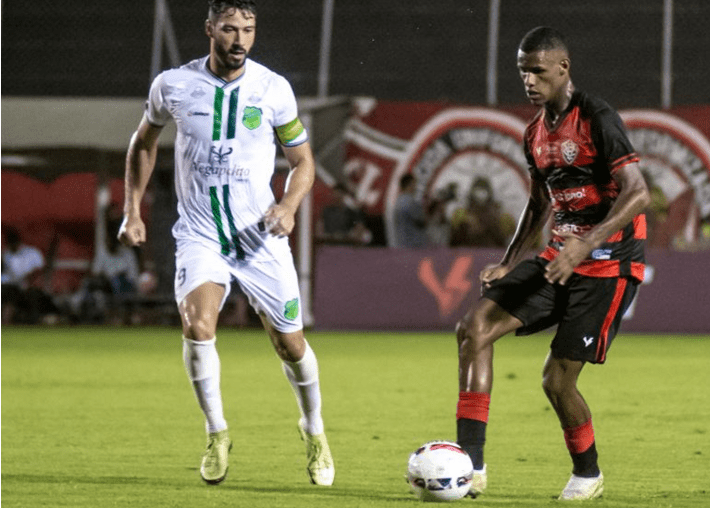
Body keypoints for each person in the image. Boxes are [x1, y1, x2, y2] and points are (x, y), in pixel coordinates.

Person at [118, 0, 334, 487]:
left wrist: (288, 206)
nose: (240, 39)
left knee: (290, 345)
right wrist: (132, 210)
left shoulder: (273, 89)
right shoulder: (173, 85)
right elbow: (143, 143)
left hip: (258, 235)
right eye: (231, 29)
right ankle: (217, 433)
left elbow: (304, 163)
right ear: (210, 29)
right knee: (198, 328)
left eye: (249, 30)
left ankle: (314, 429)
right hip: (199, 233)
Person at [454, 27, 651, 501]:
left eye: (537, 71)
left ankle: (588, 473)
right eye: (523, 71)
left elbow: (639, 193)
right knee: (474, 328)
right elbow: (540, 203)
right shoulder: (534, 133)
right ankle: (469, 467)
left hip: (608, 264)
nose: (528, 80)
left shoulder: (597, 118)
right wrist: (508, 261)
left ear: (563, 68)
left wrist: (585, 244)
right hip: (557, 256)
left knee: (556, 380)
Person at [1, 227, 57, 324]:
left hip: (30, 287)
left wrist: (30, 278)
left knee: (30, 294)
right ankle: (6, 322)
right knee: (7, 291)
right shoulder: (6, 254)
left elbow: (41, 271)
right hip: (12, 288)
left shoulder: (32, 253)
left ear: (18, 242)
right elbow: (6, 275)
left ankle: (31, 322)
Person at [394, 174, 430, 248]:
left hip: (402, 243)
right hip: (414, 245)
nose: (415, 187)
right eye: (414, 184)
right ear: (410, 184)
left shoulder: (398, 201)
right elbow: (423, 221)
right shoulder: (410, 202)